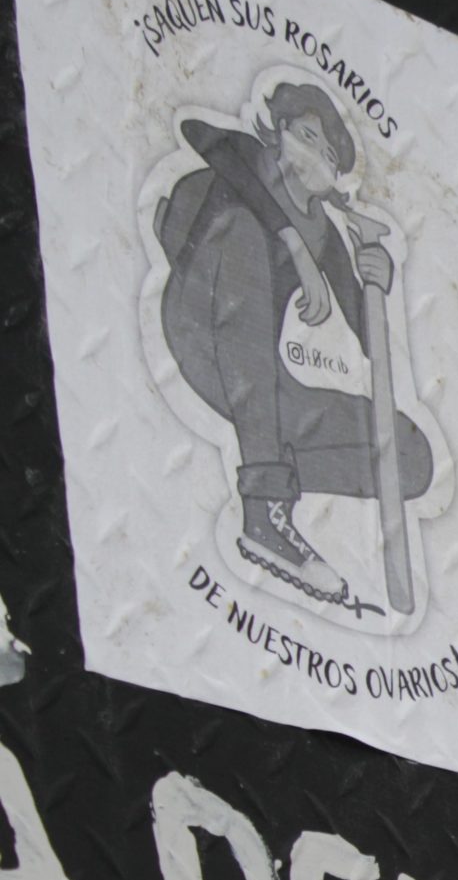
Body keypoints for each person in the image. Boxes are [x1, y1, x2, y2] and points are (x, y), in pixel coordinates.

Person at [153, 80, 430, 609]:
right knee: (240, 233)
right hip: (201, 329)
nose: (315, 155)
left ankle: (272, 463)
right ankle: (264, 512)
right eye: (307, 135)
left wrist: (377, 279)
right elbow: (194, 131)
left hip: (260, 385)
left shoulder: (324, 229)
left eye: (328, 153)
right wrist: (290, 242)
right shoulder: (244, 161)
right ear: (278, 133)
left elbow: (371, 343)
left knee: (409, 453)